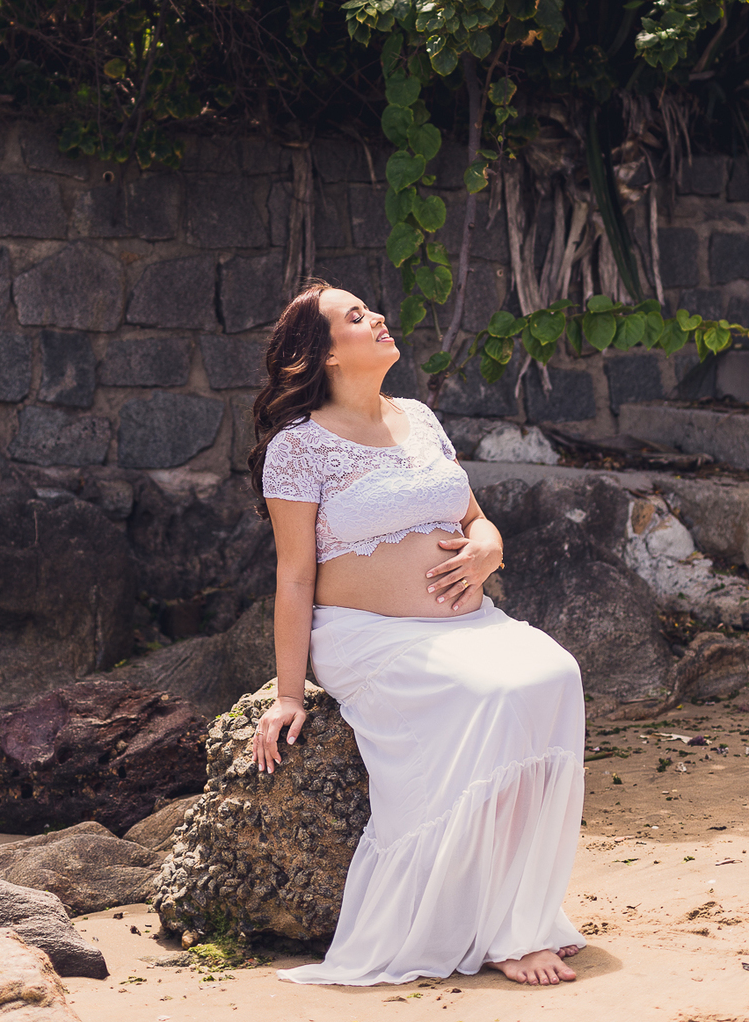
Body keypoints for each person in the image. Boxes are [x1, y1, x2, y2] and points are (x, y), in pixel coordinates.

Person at [247, 279, 586, 989]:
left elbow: (475, 519)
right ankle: (496, 931)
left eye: (370, 309)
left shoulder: (421, 419)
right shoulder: (298, 450)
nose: (377, 319)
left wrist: (489, 548)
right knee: (495, 698)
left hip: (471, 625)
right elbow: (294, 578)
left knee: (556, 675)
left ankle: (520, 913)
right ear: (324, 354)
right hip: (369, 637)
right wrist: (288, 694)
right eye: (355, 316)